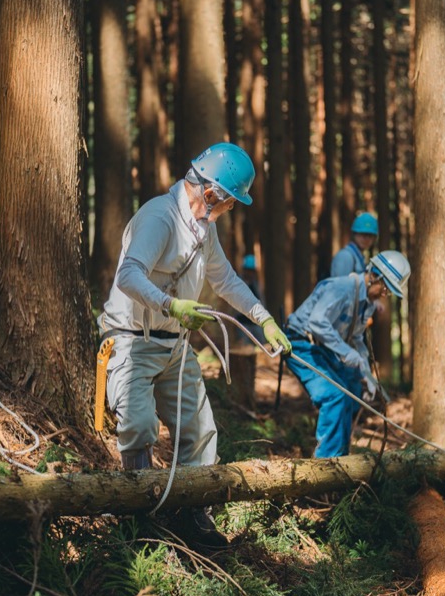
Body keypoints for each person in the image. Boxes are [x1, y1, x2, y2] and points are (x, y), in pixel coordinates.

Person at [97, 142, 290, 548]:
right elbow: (128, 275)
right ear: (210, 193)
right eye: (230, 202)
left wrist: (263, 319)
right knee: (138, 426)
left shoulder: (205, 229)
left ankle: (190, 514)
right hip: (133, 341)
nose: (231, 209)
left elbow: (226, 281)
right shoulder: (158, 218)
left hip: (175, 344)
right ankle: (139, 516)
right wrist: (172, 304)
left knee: (200, 431)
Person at [284, 251, 410, 458]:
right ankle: (326, 463)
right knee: (334, 396)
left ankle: (341, 454)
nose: (383, 295)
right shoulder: (341, 288)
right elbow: (317, 323)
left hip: (323, 347)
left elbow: (357, 338)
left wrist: (367, 374)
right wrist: (345, 352)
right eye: (385, 289)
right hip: (300, 344)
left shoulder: (366, 304)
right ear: (375, 276)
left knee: (352, 389)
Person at [329, 212, 379, 278]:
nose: (366, 239)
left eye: (370, 235)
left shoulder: (358, 257)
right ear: (354, 234)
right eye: (363, 234)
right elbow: (341, 286)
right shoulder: (345, 256)